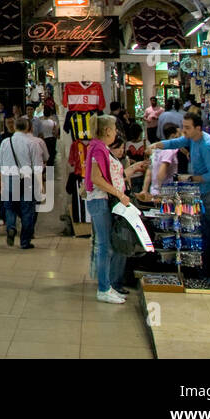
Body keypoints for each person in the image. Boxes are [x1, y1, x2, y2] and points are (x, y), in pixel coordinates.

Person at [161, 112, 210, 278]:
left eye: (188, 128)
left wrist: (190, 178)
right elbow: (177, 141)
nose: (184, 131)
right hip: (204, 192)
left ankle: (208, 274)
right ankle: (207, 270)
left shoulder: (207, 146)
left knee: (209, 235)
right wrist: (157, 145)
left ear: (199, 128)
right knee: (205, 233)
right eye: (183, 127)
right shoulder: (193, 138)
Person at [84, 115, 131, 304]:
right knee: (104, 246)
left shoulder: (99, 148)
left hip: (101, 200)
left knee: (106, 246)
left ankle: (107, 286)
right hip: (98, 200)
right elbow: (96, 178)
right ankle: (103, 288)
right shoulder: (98, 148)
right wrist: (118, 194)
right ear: (107, 131)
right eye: (114, 129)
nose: (116, 133)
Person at [0, 117, 48, 249]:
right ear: (28, 128)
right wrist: (41, 185)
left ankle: (11, 227)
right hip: (27, 180)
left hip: (9, 178)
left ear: (14, 127)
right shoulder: (33, 143)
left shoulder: (5, 142)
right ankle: (25, 242)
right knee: (27, 211)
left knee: (9, 208)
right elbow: (38, 167)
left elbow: (0, 165)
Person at [139, 123, 183, 198]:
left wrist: (144, 189)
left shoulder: (156, 150)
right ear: (173, 136)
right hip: (165, 193)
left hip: (154, 190)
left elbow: (149, 172)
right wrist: (159, 190)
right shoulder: (169, 150)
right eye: (179, 135)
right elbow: (162, 171)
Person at [33, 102, 59, 171]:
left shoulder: (40, 122)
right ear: (50, 113)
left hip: (43, 140)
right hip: (51, 140)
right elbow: (56, 134)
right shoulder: (53, 122)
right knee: (50, 158)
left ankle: (43, 173)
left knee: (42, 157)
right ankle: (49, 177)